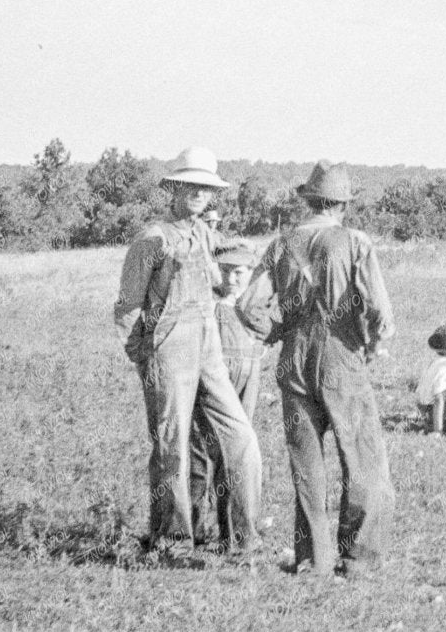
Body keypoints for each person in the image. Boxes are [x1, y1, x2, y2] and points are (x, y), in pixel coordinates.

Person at [236, 160, 393, 575]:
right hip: (341, 356)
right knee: (363, 459)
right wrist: (372, 345)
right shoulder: (355, 241)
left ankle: (313, 559)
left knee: (306, 464)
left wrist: (275, 332)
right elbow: (380, 310)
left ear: (310, 200)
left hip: (294, 358)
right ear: (342, 204)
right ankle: (359, 557)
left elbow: (247, 304)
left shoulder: (282, 244)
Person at [114, 146, 261, 562]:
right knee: (172, 445)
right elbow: (127, 305)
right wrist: (143, 354)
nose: (198, 193)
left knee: (241, 437)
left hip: (209, 348)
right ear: (173, 188)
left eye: (205, 187)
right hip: (168, 350)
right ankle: (172, 541)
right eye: (190, 185)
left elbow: (222, 270)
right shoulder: (153, 238)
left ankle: (243, 538)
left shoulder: (204, 234)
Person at [189, 239, 270, 553]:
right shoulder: (207, 305)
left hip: (247, 376)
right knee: (199, 448)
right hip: (213, 377)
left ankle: (233, 531)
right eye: (226, 271)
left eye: (241, 271)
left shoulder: (251, 306)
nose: (233, 278)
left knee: (237, 450)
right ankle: (191, 529)